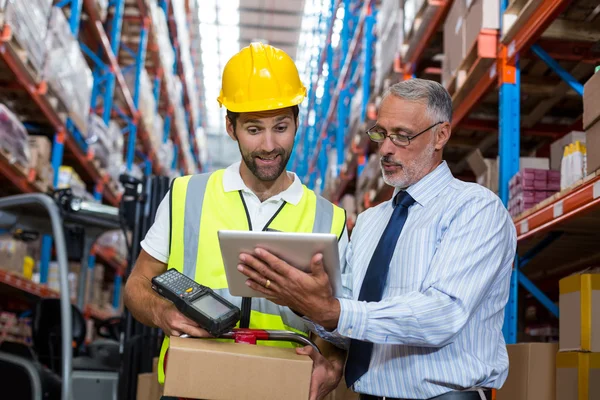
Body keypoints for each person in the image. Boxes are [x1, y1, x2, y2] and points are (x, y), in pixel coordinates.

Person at [237, 78, 518, 400]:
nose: (385, 148)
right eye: (381, 133)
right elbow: (354, 326)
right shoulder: (371, 221)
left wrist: (334, 311)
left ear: (441, 135)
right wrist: (303, 301)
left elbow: (443, 314)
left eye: (402, 136)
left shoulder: (475, 209)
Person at [123, 43, 349, 400]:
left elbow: (340, 321)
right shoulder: (186, 195)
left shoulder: (330, 219)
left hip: (282, 386)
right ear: (231, 127)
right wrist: (163, 312)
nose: (270, 144)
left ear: (297, 123)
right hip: (194, 382)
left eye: (281, 126)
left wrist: (332, 363)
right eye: (254, 129)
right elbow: (136, 285)